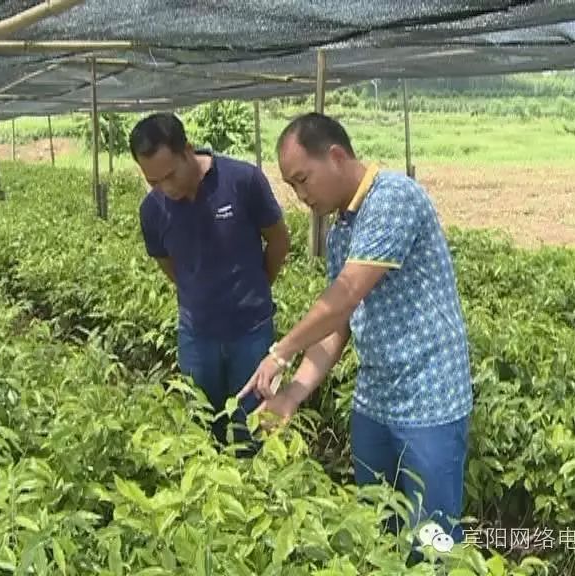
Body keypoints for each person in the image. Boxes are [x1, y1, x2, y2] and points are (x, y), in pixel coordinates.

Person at [238, 112, 473, 543]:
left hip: (430, 401)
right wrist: (292, 392)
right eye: (291, 186)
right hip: (374, 401)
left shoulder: (393, 198)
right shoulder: (341, 228)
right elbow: (338, 325)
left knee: (432, 541)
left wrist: (280, 351)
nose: (299, 195)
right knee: (374, 531)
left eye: (302, 179)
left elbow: (345, 293)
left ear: (336, 156)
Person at [130, 112, 290, 454]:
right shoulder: (152, 210)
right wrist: (196, 294)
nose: (165, 188)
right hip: (196, 336)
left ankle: (250, 495)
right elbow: (168, 265)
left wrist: (258, 286)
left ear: (188, 150)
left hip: (251, 332)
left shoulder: (242, 180)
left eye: (170, 175)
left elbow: (278, 240)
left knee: (253, 428)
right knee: (199, 427)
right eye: (154, 181)